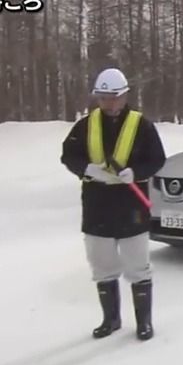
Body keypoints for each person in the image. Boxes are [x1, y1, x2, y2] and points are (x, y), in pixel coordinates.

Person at [60, 67, 167, 341]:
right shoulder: (85, 125)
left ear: (124, 96)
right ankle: (111, 320)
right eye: (103, 97)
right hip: (97, 206)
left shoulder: (141, 125)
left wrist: (137, 173)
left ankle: (144, 322)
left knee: (137, 266)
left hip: (131, 206)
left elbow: (157, 159)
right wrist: (86, 169)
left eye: (114, 97)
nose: (109, 103)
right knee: (102, 266)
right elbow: (68, 155)